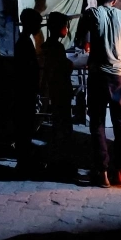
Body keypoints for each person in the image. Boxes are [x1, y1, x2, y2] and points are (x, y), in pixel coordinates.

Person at [75, 0, 121, 187]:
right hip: (119, 76)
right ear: (115, 0)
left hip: (98, 75)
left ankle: (103, 173)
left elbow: (82, 43)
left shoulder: (91, 14)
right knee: (120, 124)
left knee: (97, 123)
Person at [43, 11, 75, 180]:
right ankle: (62, 161)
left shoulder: (49, 45)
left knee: (59, 123)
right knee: (63, 124)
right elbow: (62, 67)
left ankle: (59, 158)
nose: (67, 29)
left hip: (56, 90)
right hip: (60, 90)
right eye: (65, 26)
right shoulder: (57, 47)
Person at [14, 8, 43, 177]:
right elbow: (27, 70)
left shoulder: (25, 41)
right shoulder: (24, 43)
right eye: (37, 23)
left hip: (25, 90)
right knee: (25, 126)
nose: (39, 26)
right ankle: (23, 163)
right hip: (25, 91)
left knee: (25, 126)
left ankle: (24, 161)